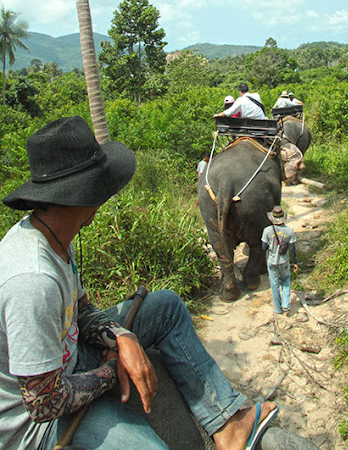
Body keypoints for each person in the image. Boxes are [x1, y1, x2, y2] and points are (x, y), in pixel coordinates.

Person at [0, 116, 278, 450]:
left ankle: (227, 423)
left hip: (71, 357)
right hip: (38, 425)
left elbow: (82, 309)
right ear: (83, 196)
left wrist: (122, 337)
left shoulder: (56, 234)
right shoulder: (33, 280)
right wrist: (111, 369)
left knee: (166, 306)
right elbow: (44, 403)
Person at [261, 206, 299, 315]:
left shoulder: (267, 231)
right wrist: (295, 263)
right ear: (283, 217)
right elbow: (292, 249)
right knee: (286, 281)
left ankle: (278, 309)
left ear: (272, 218)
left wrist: (271, 246)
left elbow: (263, 248)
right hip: (284, 261)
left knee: (275, 285)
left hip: (272, 261)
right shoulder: (289, 231)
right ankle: (286, 304)